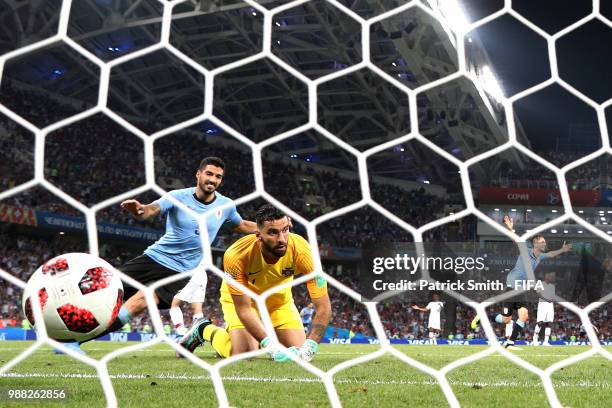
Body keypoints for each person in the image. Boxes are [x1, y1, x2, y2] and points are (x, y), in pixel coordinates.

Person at [87, 157, 257, 342]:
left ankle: (80, 340)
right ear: (198, 174)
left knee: (143, 301)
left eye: (218, 176)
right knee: (110, 289)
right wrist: (139, 210)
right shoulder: (177, 196)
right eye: (209, 174)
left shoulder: (225, 205)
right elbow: (151, 209)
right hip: (154, 258)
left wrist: (270, 229)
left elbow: (241, 225)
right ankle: (69, 325)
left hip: (182, 271)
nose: (213, 180)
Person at [178, 205, 332, 362]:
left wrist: (310, 346)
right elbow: (244, 309)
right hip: (245, 301)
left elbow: (323, 307)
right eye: (273, 232)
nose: (281, 239)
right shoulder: (236, 255)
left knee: (298, 351)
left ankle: (254, 338)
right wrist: (270, 346)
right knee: (244, 354)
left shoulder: (303, 251)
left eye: (285, 230)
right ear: (258, 235)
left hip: (279, 303)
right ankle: (203, 329)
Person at [471, 216, 571, 350]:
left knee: (523, 316)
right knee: (507, 319)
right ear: (535, 243)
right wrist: (510, 228)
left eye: (544, 242)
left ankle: (510, 343)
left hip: (521, 289)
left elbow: (551, 254)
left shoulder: (540, 256)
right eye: (542, 242)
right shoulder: (526, 249)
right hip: (512, 286)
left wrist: (562, 250)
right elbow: (516, 239)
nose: (544, 244)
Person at [533, 271, 556, 346]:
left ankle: (546, 342)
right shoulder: (540, 283)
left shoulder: (552, 286)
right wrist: (547, 299)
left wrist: (553, 300)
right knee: (540, 322)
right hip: (542, 304)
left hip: (550, 305)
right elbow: (538, 294)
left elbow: (553, 296)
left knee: (549, 323)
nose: (552, 278)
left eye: (552, 277)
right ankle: (535, 339)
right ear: (546, 277)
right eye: (550, 276)